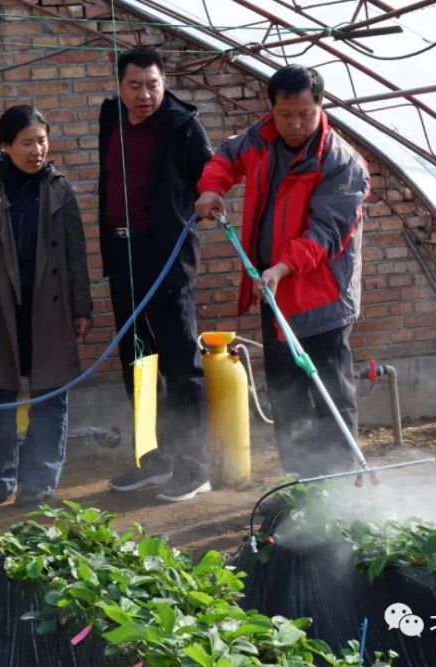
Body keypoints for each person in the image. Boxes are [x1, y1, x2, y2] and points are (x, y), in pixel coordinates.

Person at [195, 64, 369, 477]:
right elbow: (226, 155)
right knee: (287, 394)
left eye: (305, 114)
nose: (295, 125)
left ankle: (340, 486)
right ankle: (299, 481)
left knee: (328, 392)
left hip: (321, 295)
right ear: (271, 108)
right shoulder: (262, 139)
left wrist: (283, 266)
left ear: (320, 106)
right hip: (273, 294)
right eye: (285, 114)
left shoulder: (342, 163)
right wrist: (211, 187)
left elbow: (327, 232)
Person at [0, 105, 92, 509]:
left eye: (42, 140)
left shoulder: (59, 188)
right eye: (27, 142)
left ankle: (39, 484)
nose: (37, 150)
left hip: (50, 306)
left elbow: (76, 254)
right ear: (6, 145)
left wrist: (81, 307)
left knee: (50, 397)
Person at [97, 47, 213, 503]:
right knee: (139, 364)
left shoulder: (183, 126)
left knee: (182, 364)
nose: (144, 95)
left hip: (167, 258)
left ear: (164, 84)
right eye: (134, 86)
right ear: (119, 88)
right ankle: (153, 460)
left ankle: (194, 467)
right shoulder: (111, 119)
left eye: (153, 85)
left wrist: (206, 201)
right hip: (123, 253)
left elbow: (210, 179)